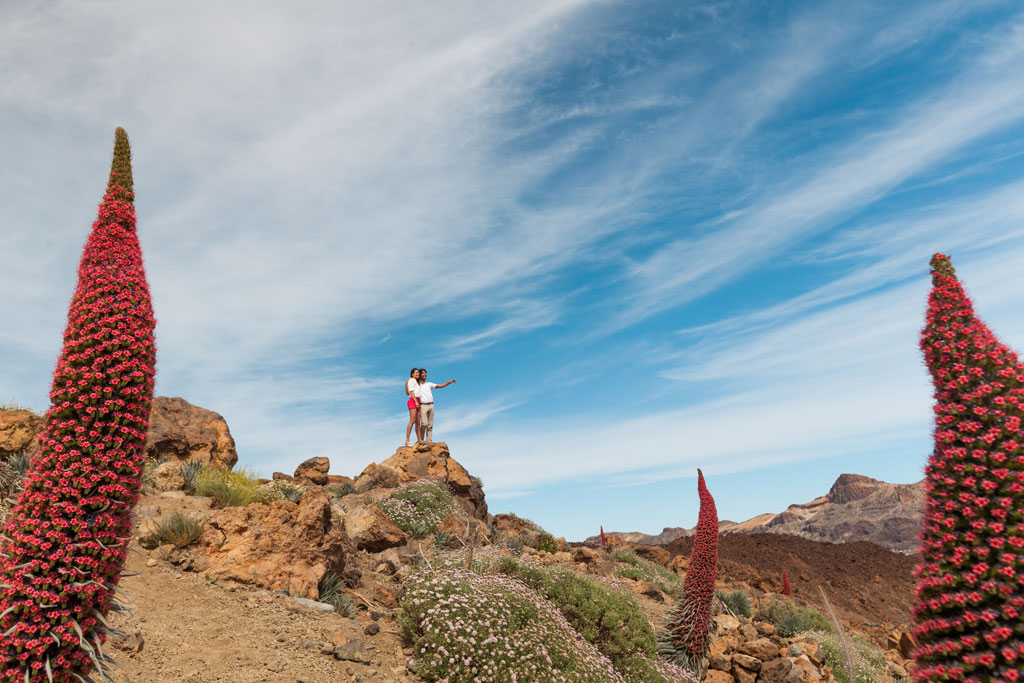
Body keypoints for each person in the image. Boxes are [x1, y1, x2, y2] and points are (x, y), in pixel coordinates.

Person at [417, 368, 455, 442]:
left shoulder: (429, 384)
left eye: (426, 373)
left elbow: (440, 385)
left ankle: (429, 440)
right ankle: (421, 440)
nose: (425, 374)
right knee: (424, 423)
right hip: (423, 406)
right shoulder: (417, 385)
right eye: (423, 373)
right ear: (420, 375)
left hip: (431, 405)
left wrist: (449, 382)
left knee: (430, 425)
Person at [404, 368, 421, 447]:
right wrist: (416, 401)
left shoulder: (415, 382)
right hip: (413, 400)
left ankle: (420, 440)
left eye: (418, 372)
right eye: (416, 372)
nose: (418, 373)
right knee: (412, 421)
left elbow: (407, 392)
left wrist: (406, 383)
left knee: (418, 422)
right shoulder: (412, 380)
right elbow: (410, 392)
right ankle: (407, 440)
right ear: (412, 374)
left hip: (417, 400)